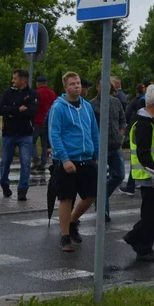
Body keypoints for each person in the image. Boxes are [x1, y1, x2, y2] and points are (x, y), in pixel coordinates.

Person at [48, 72, 101, 253]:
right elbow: (54, 134)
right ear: (65, 87)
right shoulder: (59, 107)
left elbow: (94, 131)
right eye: (72, 84)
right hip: (67, 160)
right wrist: (64, 159)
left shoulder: (86, 107)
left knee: (90, 195)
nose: (77, 86)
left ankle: (72, 221)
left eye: (78, 83)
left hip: (87, 158)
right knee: (66, 198)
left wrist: (98, 154)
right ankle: (65, 236)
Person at [122, 84, 154, 262]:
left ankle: (136, 236)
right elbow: (143, 152)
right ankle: (143, 249)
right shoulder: (143, 123)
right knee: (151, 212)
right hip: (150, 176)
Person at [90, 78, 127, 222]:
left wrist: (122, 130)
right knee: (100, 180)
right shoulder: (92, 105)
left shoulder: (115, 101)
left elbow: (122, 118)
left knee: (119, 175)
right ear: (97, 88)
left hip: (115, 145)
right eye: (101, 86)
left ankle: (100, 197)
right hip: (100, 147)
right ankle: (103, 211)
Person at [0, 69, 37, 200]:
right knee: (5, 161)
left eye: (15, 78)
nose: (12, 80)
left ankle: (22, 189)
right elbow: (0, 109)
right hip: (9, 133)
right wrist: (17, 109)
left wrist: (14, 112)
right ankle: (4, 183)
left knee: (25, 162)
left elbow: (33, 110)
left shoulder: (32, 94)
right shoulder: (7, 93)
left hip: (25, 134)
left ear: (23, 80)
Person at [32, 75, 57, 173]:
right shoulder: (52, 93)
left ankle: (36, 159)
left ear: (38, 83)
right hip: (48, 122)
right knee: (45, 144)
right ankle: (43, 162)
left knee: (31, 141)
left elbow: (34, 107)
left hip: (37, 121)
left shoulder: (36, 93)